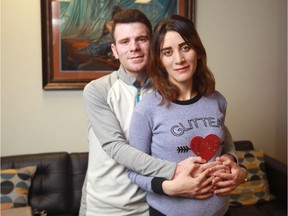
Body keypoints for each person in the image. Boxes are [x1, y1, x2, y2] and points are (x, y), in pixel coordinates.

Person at [80, 9, 246, 216]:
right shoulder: (98, 90)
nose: (134, 48)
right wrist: (174, 174)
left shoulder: (170, 84)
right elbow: (116, 147)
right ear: (114, 50)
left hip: (151, 203)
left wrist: (232, 160)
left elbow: (215, 124)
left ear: (153, 45)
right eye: (125, 42)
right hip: (110, 203)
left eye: (142, 39)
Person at [127, 15, 247, 216]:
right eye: (168, 52)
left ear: (197, 52)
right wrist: (169, 187)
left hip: (221, 211)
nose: (179, 59)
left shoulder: (217, 101)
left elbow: (223, 141)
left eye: (185, 47)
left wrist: (234, 162)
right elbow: (133, 171)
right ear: (159, 60)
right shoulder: (146, 110)